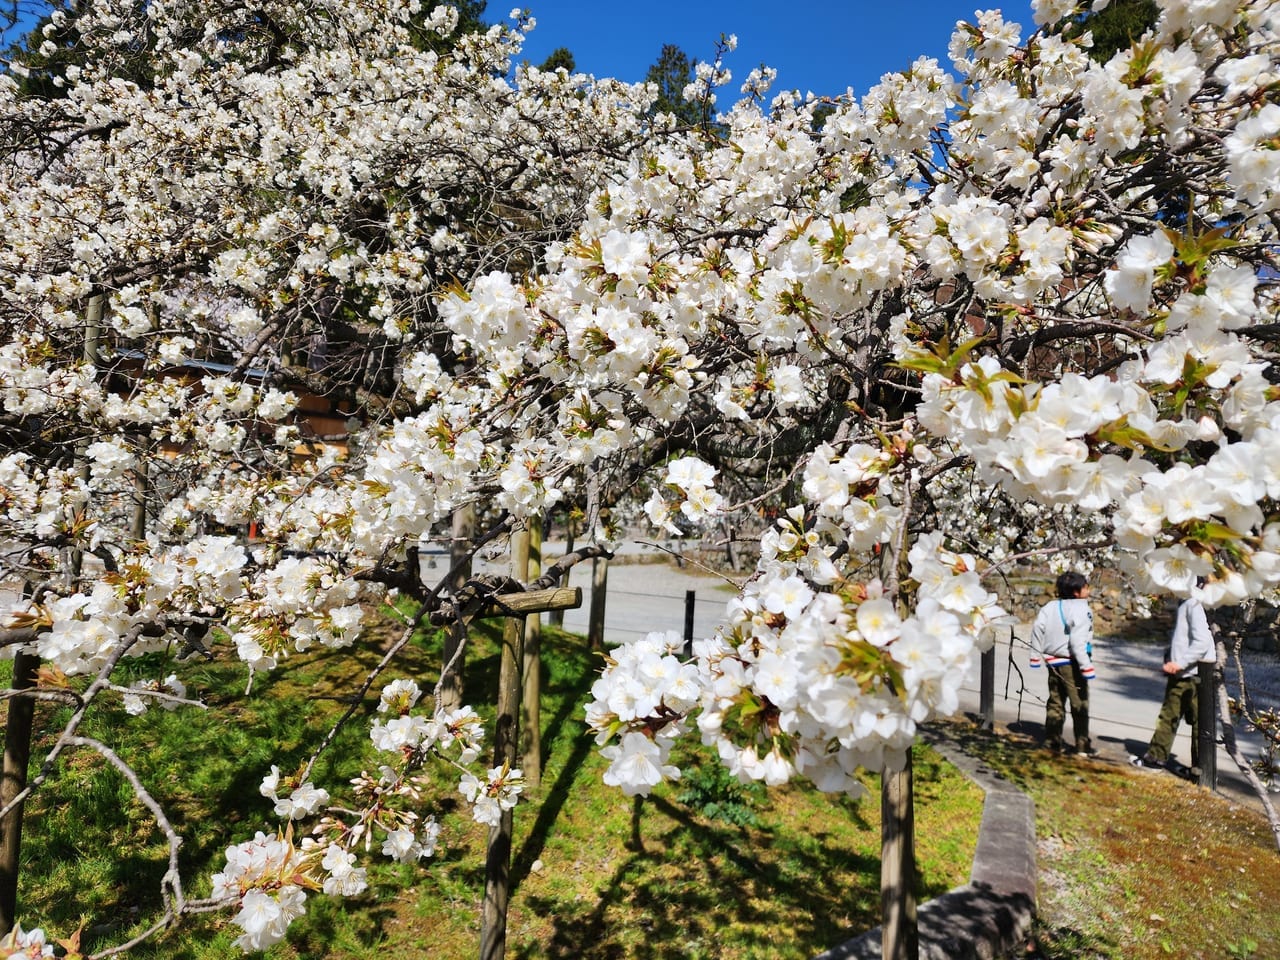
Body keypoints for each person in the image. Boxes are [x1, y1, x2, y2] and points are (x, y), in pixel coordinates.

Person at [1132, 594, 1216, 774]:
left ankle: (1155, 759)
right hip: (1197, 673)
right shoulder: (1192, 602)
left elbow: (1202, 641)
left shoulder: (1192, 603)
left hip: (1186, 674)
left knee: (1169, 717)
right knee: (1200, 723)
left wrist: (1180, 663)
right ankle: (1201, 770)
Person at [1029, 571, 1097, 755]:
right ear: (1076, 592)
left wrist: (1035, 655)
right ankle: (1082, 744)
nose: (1088, 589)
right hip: (1072, 663)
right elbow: (1077, 641)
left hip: (1052, 662)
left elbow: (1037, 628)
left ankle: (1052, 741)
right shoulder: (1081, 609)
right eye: (1085, 586)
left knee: (1055, 702)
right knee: (1079, 704)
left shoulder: (1051, 606)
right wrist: (1086, 666)